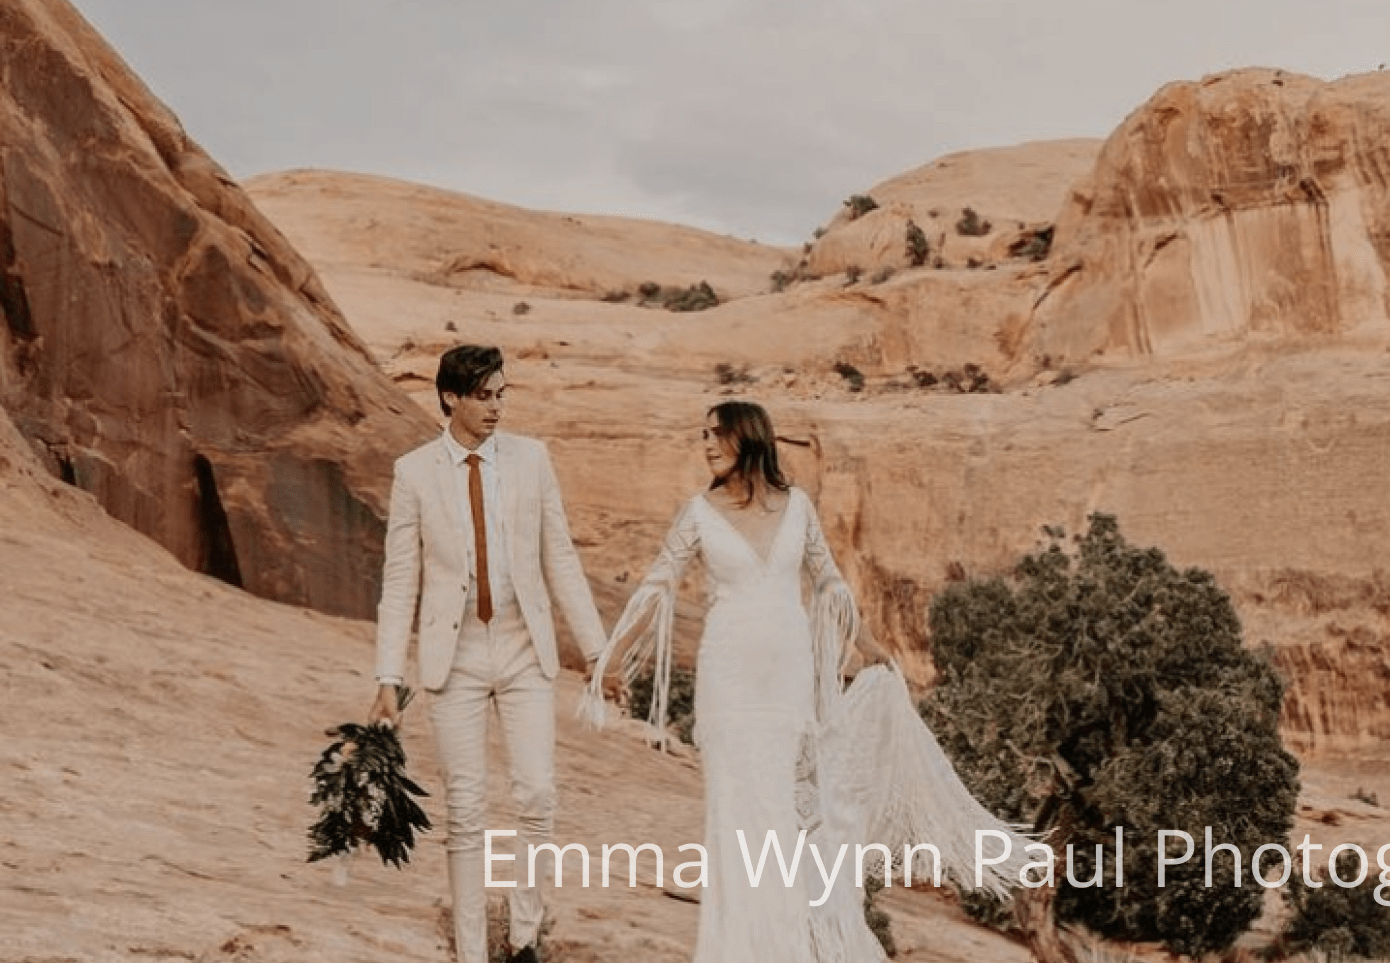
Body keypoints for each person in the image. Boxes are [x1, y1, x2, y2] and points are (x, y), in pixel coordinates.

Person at [587, 400, 1033, 963]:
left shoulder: (798, 507)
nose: (704, 446)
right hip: (729, 682)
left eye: (715, 435)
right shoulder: (697, 512)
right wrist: (609, 658)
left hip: (786, 683)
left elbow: (831, 586)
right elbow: (657, 587)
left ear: (747, 439)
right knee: (735, 817)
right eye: (701, 435)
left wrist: (872, 651)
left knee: (784, 815)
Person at [372, 343, 607, 963]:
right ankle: (472, 953)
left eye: (503, 394)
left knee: (536, 794)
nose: (497, 407)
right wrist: (388, 679)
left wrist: (598, 652)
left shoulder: (532, 460)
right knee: (465, 806)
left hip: (525, 647)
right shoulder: (414, 472)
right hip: (455, 656)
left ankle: (526, 938)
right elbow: (400, 582)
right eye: (484, 395)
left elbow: (561, 559)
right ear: (450, 397)